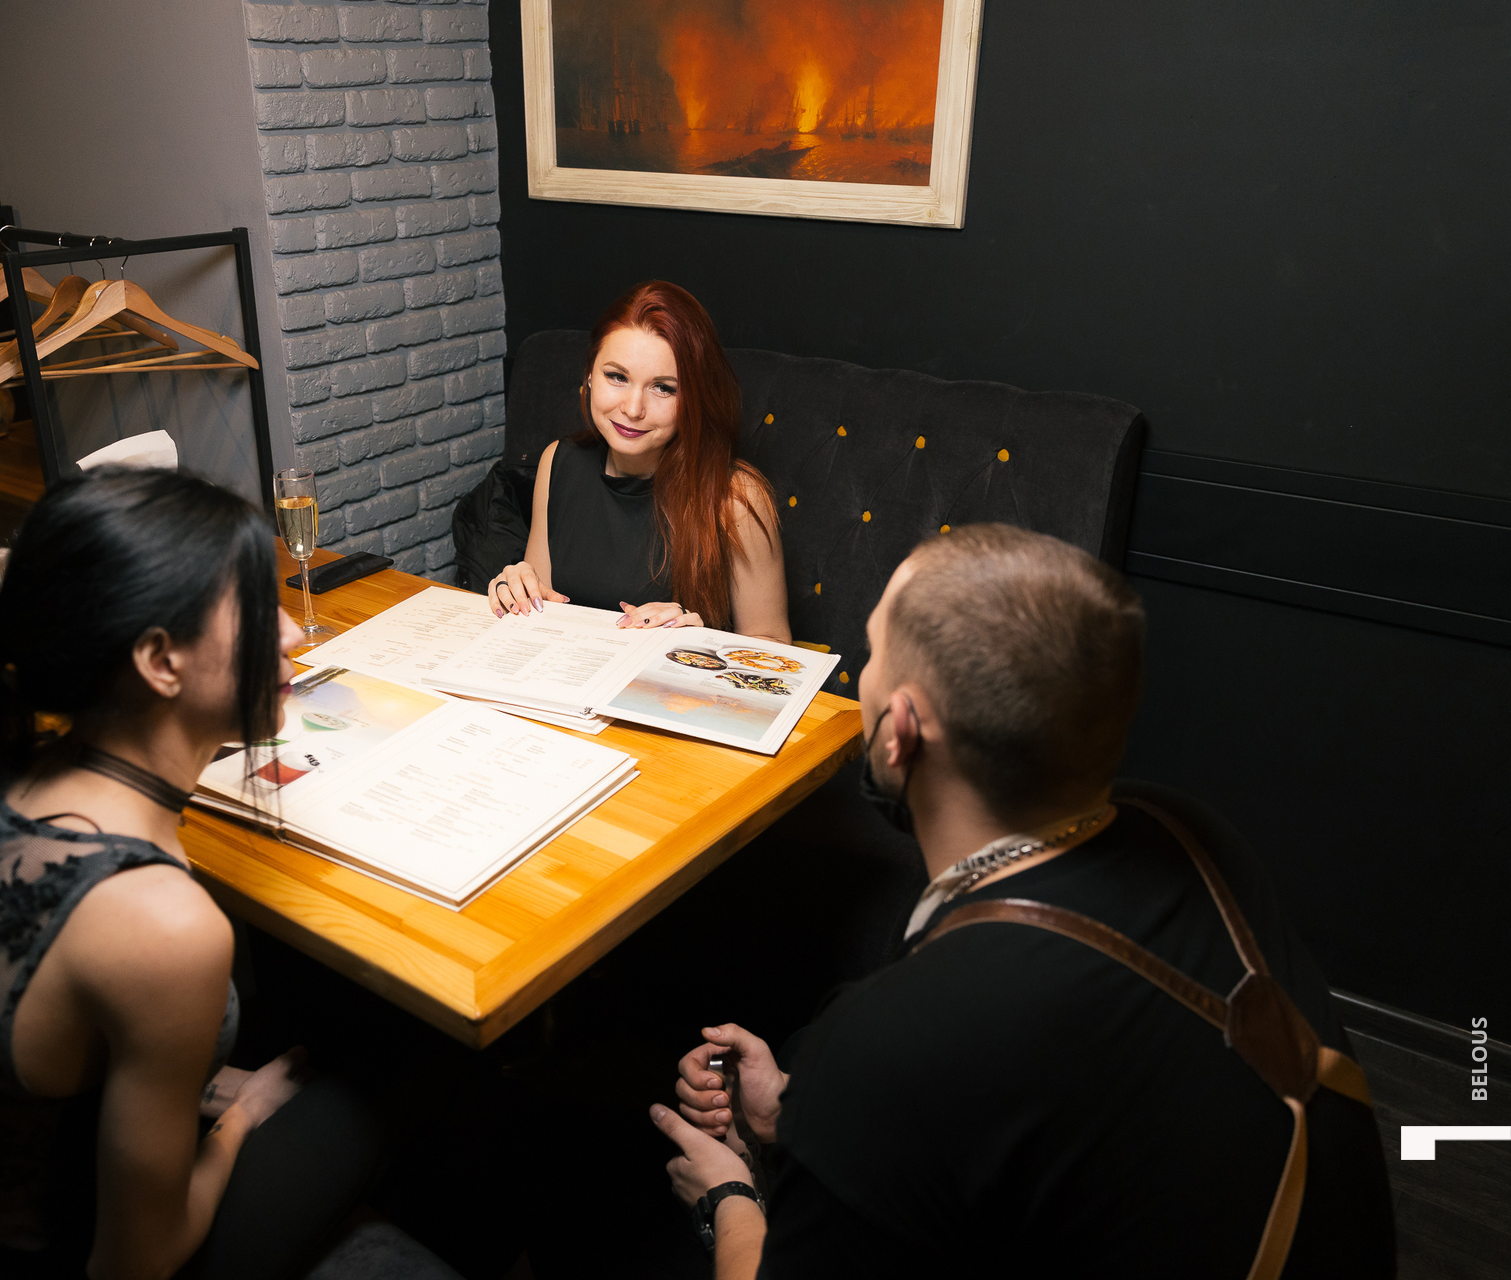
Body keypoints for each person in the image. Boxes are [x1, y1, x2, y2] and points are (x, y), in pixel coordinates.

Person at [648, 524, 1394, 1278]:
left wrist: (730, 1197)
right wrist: (802, 1111)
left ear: (900, 731)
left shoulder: (886, 1039)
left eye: (872, 655)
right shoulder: (1191, 833)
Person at [0, 467, 382, 1280]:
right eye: (255, 609)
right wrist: (241, 1118)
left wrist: (202, 1086)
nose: (292, 635)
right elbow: (137, 1261)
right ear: (160, 659)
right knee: (379, 1089)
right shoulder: (162, 922)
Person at [485, 280, 790, 640]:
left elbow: (773, 645)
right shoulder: (557, 462)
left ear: (694, 398)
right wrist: (517, 590)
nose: (633, 409)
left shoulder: (737, 498)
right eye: (617, 377)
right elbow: (541, 609)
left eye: (663, 388)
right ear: (590, 376)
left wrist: (699, 640)